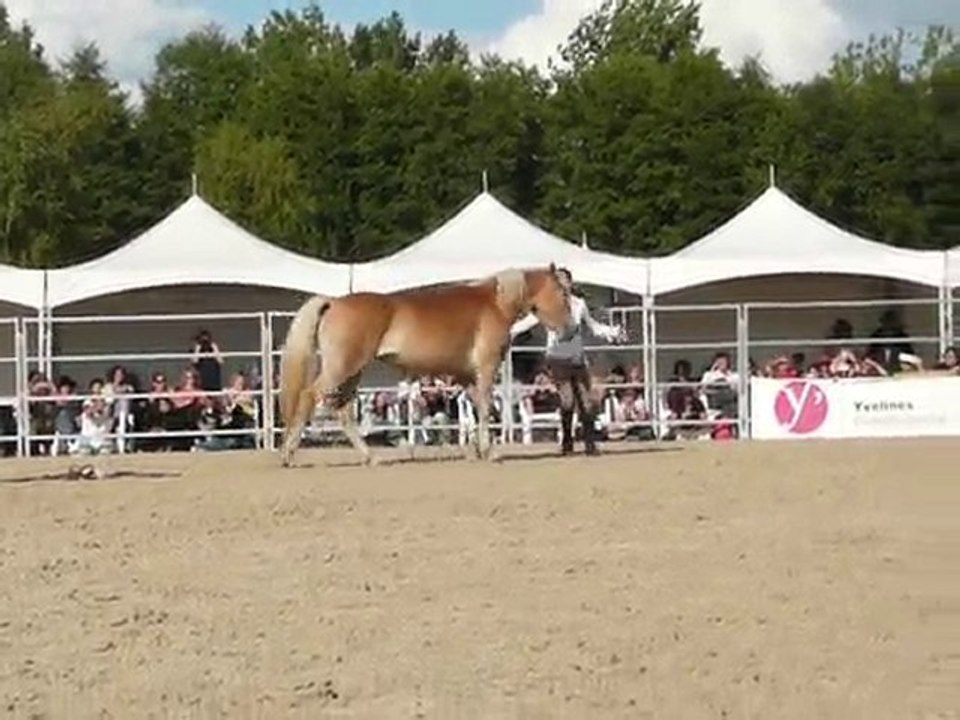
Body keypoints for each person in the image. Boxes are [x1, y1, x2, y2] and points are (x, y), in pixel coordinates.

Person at [510, 267, 626, 455]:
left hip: (577, 358)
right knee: (567, 401)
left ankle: (590, 442)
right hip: (557, 358)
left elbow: (593, 327)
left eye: (564, 280)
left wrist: (613, 332)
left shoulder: (579, 304)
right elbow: (528, 322)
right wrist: (508, 330)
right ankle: (567, 440)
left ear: (570, 284)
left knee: (586, 402)